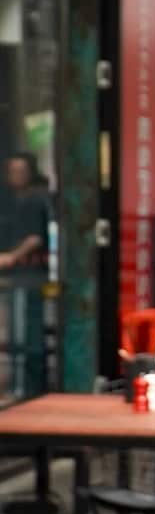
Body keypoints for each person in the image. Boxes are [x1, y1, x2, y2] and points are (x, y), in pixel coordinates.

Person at [0, 151, 50, 397]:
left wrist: (11, 257)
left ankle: (30, 389)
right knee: (20, 333)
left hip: (31, 275)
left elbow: (35, 238)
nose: (15, 176)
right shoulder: (15, 200)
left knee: (29, 335)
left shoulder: (35, 199)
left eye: (20, 171)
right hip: (20, 275)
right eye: (12, 171)